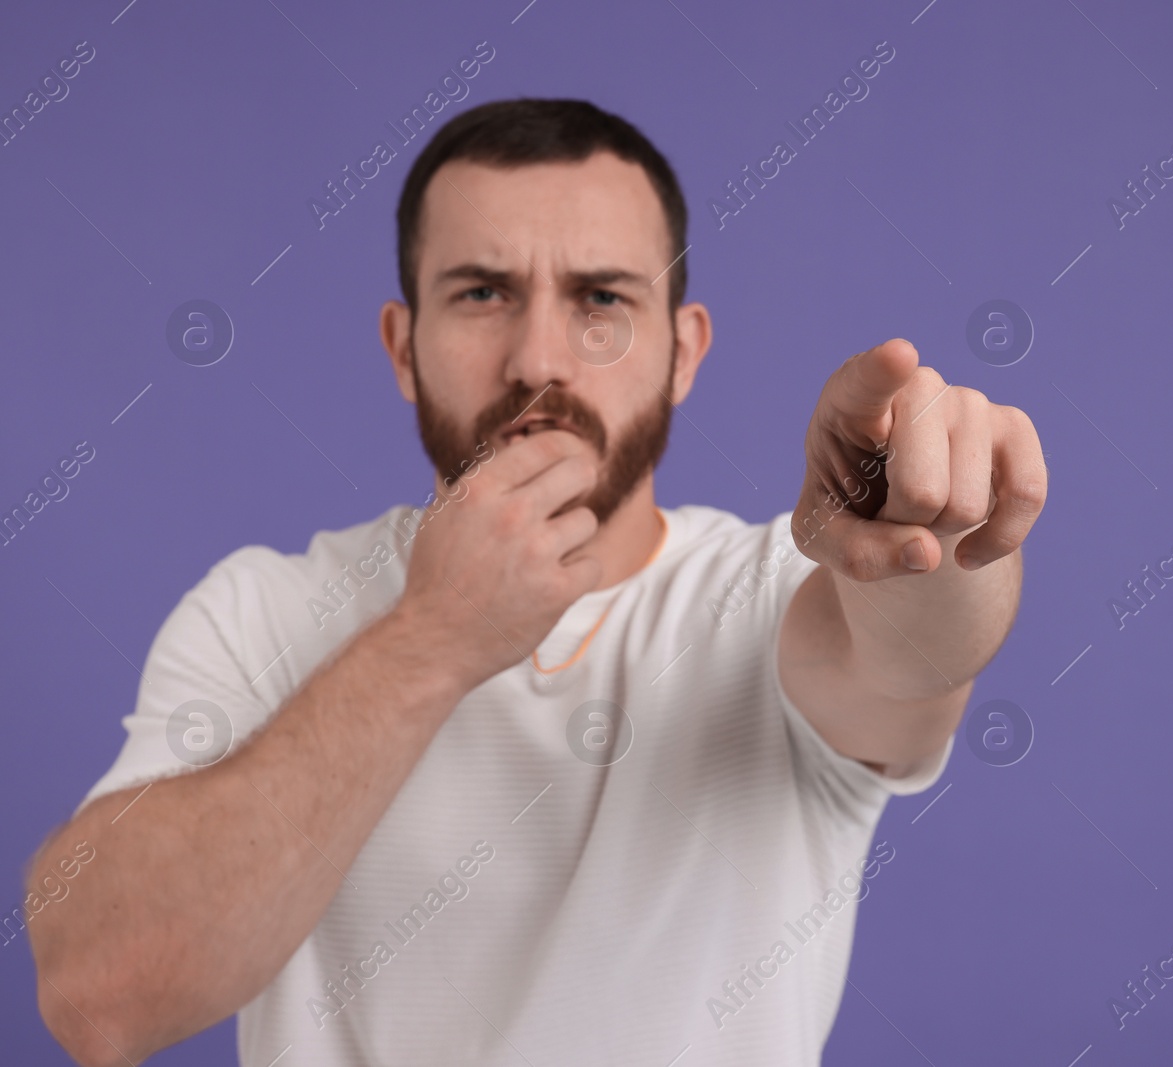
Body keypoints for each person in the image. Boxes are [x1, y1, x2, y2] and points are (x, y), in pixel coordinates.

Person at [27, 98, 1046, 1067]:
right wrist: (433, 636)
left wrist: (923, 517)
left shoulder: (764, 592)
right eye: (481, 292)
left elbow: (917, 649)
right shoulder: (262, 609)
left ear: (682, 351)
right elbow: (99, 991)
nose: (539, 359)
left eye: (601, 298)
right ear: (402, 346)